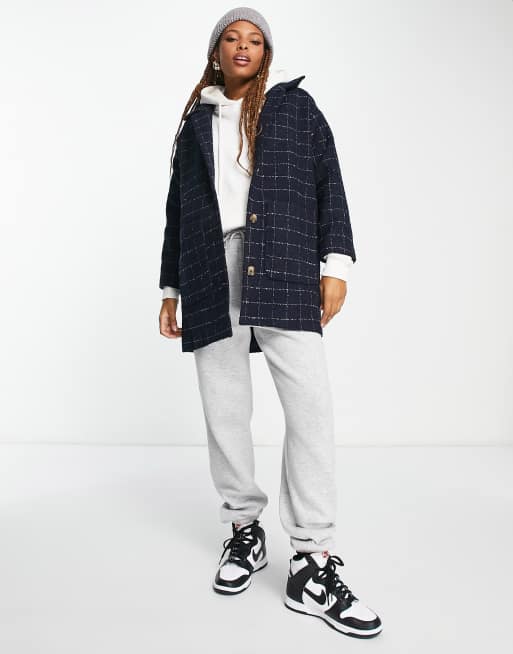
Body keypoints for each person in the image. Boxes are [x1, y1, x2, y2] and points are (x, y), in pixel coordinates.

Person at [158, 6, 382, 639]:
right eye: (231, 38)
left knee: (310, 406)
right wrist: (170, 287)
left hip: (283, 259)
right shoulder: (195, 123)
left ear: (266, 52)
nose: (243, 46)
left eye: (254, 40)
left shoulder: (294, 108)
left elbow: (329, 181)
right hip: (210, 265)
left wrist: (335, 265)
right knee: (224, 406)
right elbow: (178, 208)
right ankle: (243, 527)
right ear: (216, 51)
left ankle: (311, 556)